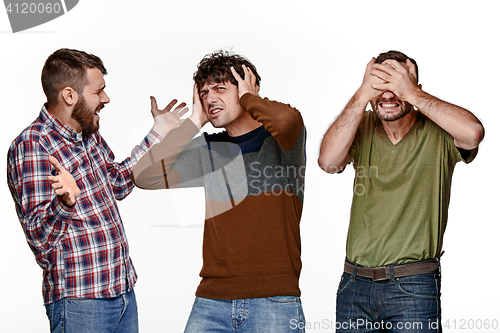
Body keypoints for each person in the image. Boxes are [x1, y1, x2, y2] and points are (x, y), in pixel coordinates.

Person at [7, 48, 187, 333]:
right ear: (70, 96)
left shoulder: (87, 135)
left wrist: (159, 132)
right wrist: (65, 202)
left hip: (123, 291)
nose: (106, 98)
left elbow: (118, 181)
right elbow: (39, 240)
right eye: (98, 91)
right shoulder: (32, 146)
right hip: (81, 302)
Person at [132, 51, 307, 332]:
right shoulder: (210, 150)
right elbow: (144, 176)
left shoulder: (282, 143)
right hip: (211, 302)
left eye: (221, 89)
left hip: (274, 301)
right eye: (204, 93)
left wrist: (251, 99)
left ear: (248, 88)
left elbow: (288, 119)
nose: (210, 98)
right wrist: (193, 121)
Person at [318, 50, 484, 332]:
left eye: (397, 86)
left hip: (413, 284)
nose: (388, 95)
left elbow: (473, 133)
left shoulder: (438, 130)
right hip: (354, 284)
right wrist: (361, 95)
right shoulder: (362, 127)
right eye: (380, 85)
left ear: (414, 85)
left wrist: (412, 93)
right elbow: (328, 162)